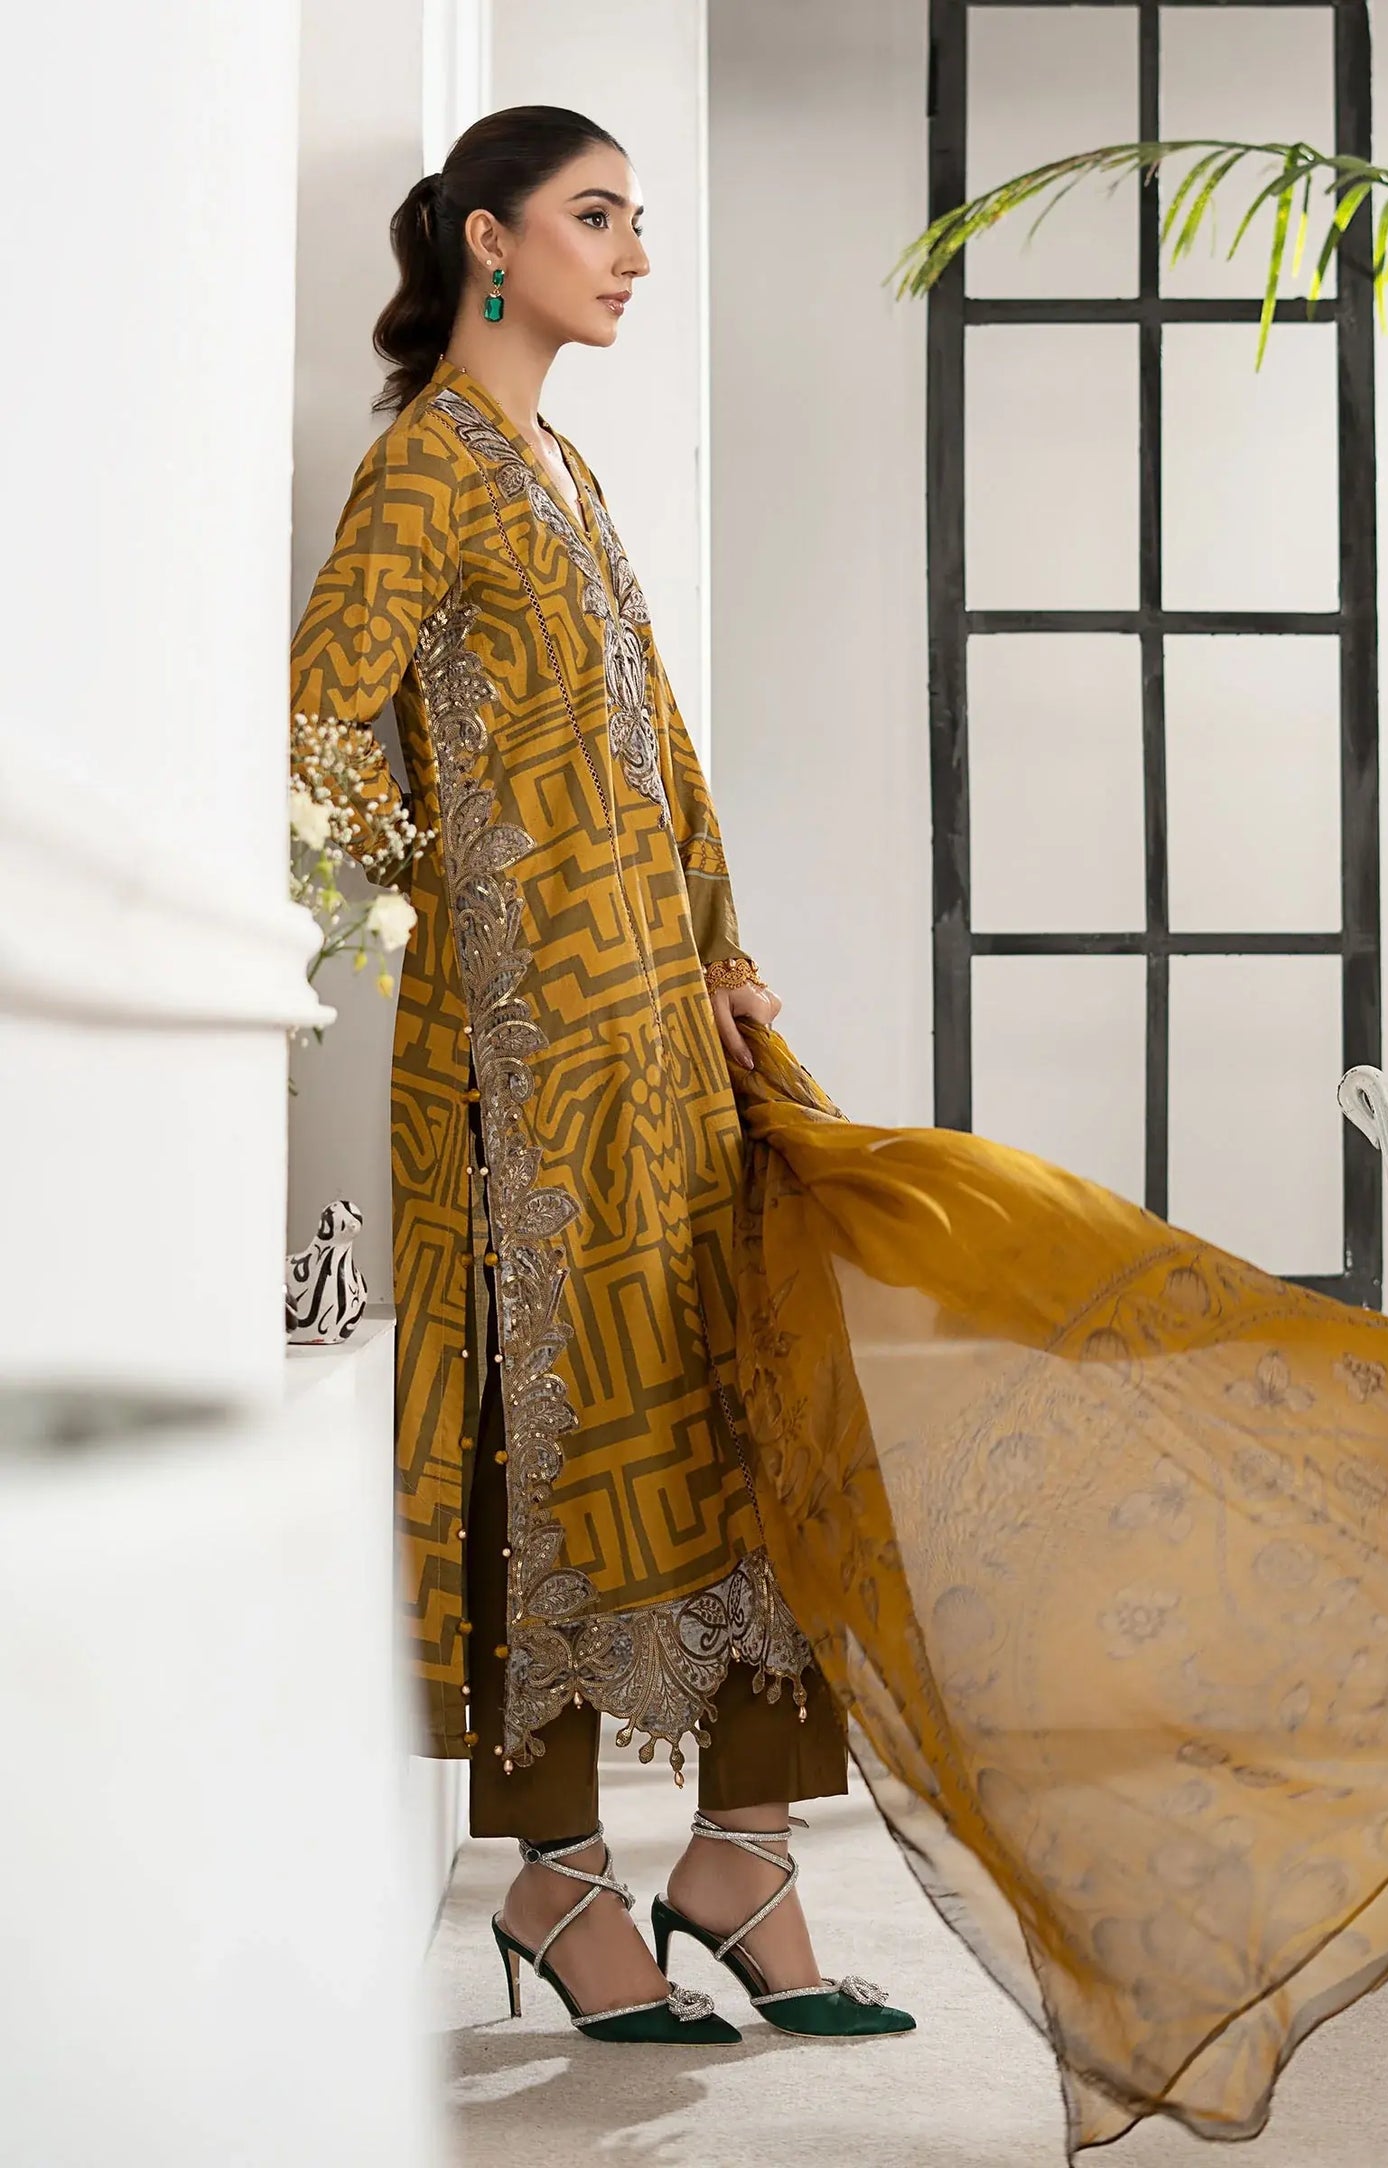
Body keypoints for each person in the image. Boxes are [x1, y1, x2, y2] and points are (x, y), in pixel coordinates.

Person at [291, 104, 913, 2045]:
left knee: (743, 1403)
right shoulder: (430, 471)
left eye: (637, 219)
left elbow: (653, 741)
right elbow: (320, 734)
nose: (633, 251)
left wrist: (716, 948)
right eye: (596, 217)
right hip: (518, 1075)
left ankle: (744, 1850)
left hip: (662, 1043)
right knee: (538, 1451)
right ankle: (560, 1887)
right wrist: (430, 927)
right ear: (490, 241)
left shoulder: (562, 465)